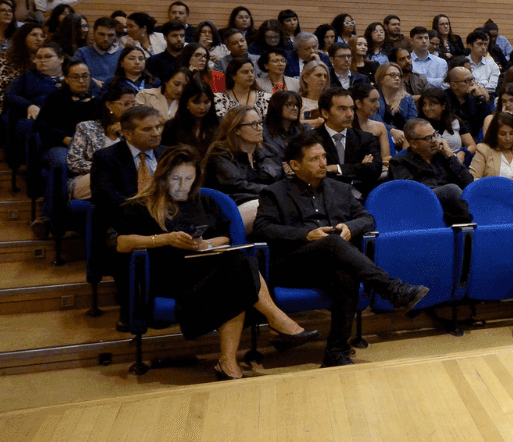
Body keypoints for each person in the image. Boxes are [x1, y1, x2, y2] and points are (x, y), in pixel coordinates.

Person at [111, 148, 320, 380]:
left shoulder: (204, 200)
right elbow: (122, 243)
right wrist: (165, 239)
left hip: (206, 269)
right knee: (238, 271)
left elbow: (225, 237)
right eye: (176, 179)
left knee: (237, 271)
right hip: (170, 277)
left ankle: (230, 362)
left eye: (189, 179)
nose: (183, 185)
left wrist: (205, 244)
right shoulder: (141, 205)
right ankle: (278, 323)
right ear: (162, 177)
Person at [254, 131, 430, 366]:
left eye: (323, 157)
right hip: (292, 265)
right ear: (294, 165)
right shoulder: (274, 192)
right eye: (314, 159)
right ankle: (391, 288)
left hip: (332, 263)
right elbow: (262, 228)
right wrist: (305, 235)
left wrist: (350, 227)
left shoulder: (340, 189)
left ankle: (336, 352)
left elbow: (367, 219)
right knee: (334, 242)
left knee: (346, 274)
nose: (322, 163)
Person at [388, 118, 475, 225]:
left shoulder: (444, 156)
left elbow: (468, 182)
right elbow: (411, 192)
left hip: (452, 207)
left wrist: (450, 155)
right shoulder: (399, 162)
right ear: (413, 144)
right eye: (428, 138)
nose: (434, 140)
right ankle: (465, 231)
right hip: (420, 210)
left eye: (434, 135)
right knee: (451, 190)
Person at [205, 106, 279, 230]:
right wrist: (275, 191)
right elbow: (237, 185)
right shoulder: (220, 153)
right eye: (253, 124)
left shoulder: (269, 151)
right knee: (267, 209)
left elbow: (281, 178)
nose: (260, 128)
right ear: (237, 129)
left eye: (260, 123)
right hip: (232, 206)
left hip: (268, 200)